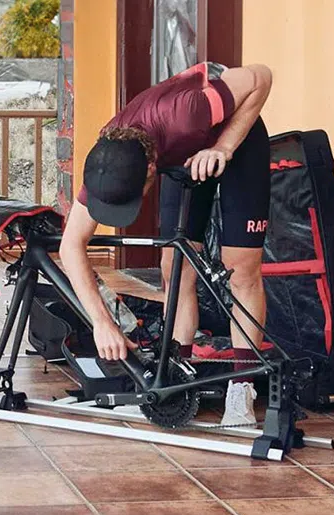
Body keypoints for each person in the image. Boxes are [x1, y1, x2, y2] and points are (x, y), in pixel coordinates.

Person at [59, 61, 274, 426]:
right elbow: (70, 246)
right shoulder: (109, 157)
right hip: (181, 152)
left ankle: (242, 387)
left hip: (236, 135)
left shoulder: (186, 114)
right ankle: (174, 378)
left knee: (240, 270)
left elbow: (261, 76)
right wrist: (101, 322)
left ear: (148, 170)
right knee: (174, 267)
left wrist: (222, 147)